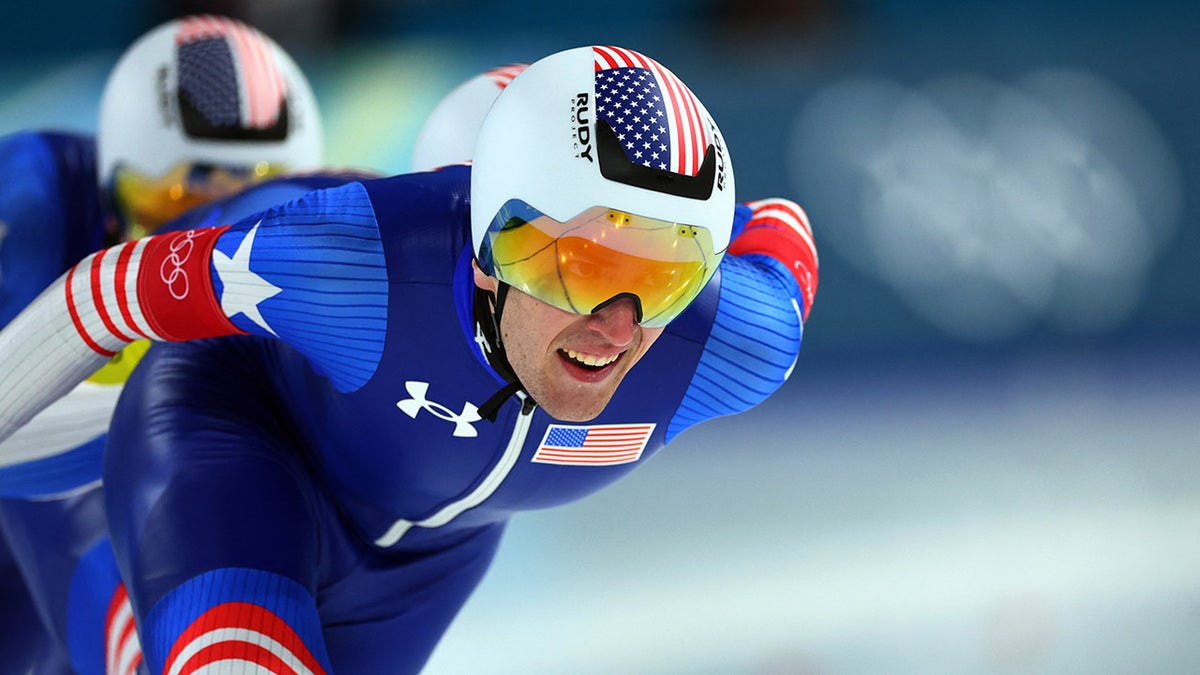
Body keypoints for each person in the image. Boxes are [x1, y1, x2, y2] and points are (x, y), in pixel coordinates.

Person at [0, 45, 818, 673]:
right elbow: (113, 287)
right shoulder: (366, 266)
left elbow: (783, 227)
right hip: (236, 444)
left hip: (426, 552)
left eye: (666, 277)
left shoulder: (732, 337)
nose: (617, 325)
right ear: (489, 237)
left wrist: (707, 223)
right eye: (584, 266)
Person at [0, 14, 327, 674]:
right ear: (107, 190)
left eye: (245, 214)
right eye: (175, 205)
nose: (194, 246)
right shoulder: (28, 198)